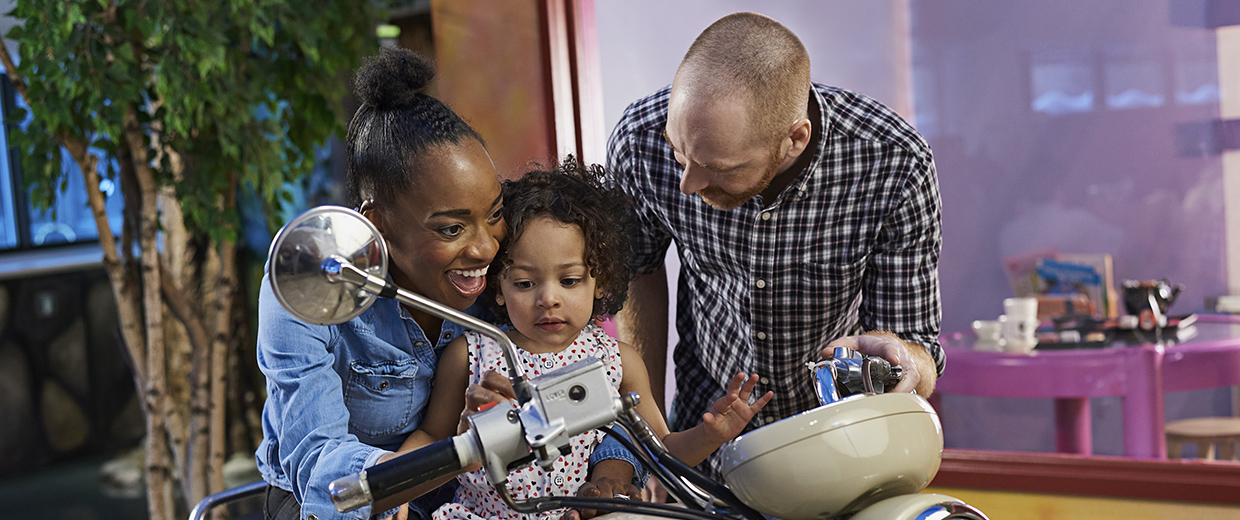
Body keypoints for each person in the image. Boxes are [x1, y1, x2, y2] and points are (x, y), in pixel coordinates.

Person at [254, 49, 639, 520]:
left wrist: (610, 471)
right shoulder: (309, 278)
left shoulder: (510, 273)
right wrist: (462, 449)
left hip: (471, 497)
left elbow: (590, 399)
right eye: (451, 229)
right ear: (380, 224)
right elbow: (324, 477)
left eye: (494, 214)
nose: (485, 249)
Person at [605, 12, 946, 477]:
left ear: (794, 139)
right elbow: (639, 271)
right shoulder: (641, 141)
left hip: (842, 442)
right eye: (680, 152)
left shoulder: (893, 163)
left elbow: (917, 346)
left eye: (720, 168)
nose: (688, 183)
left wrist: (903, 362)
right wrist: (655, 442)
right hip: (706, 425)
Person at [392, 160, 771, 520]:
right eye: (525, 283)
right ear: (498, 287)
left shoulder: (617, 361)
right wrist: (394, 488)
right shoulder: (470, 354)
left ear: (600, 280)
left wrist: (711, 434)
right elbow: (431, 436)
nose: (548, 298)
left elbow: (660, 452)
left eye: (569, 280)